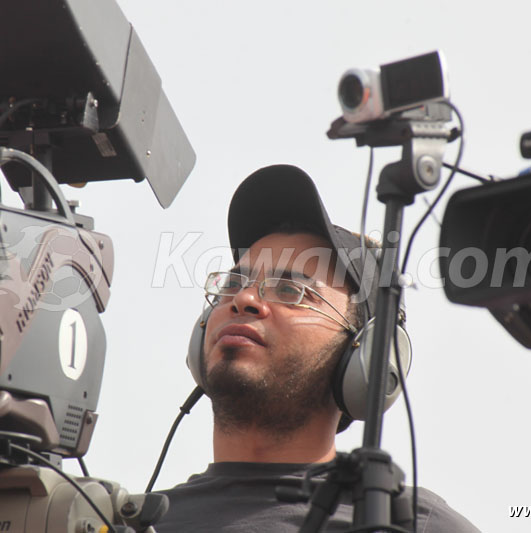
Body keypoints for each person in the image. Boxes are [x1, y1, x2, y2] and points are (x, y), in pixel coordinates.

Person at [155, 165, 480, 532]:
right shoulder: (128, 521)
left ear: (364, 357)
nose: (245, 299)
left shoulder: (408, 525)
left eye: (292, 292)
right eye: (233, 284)